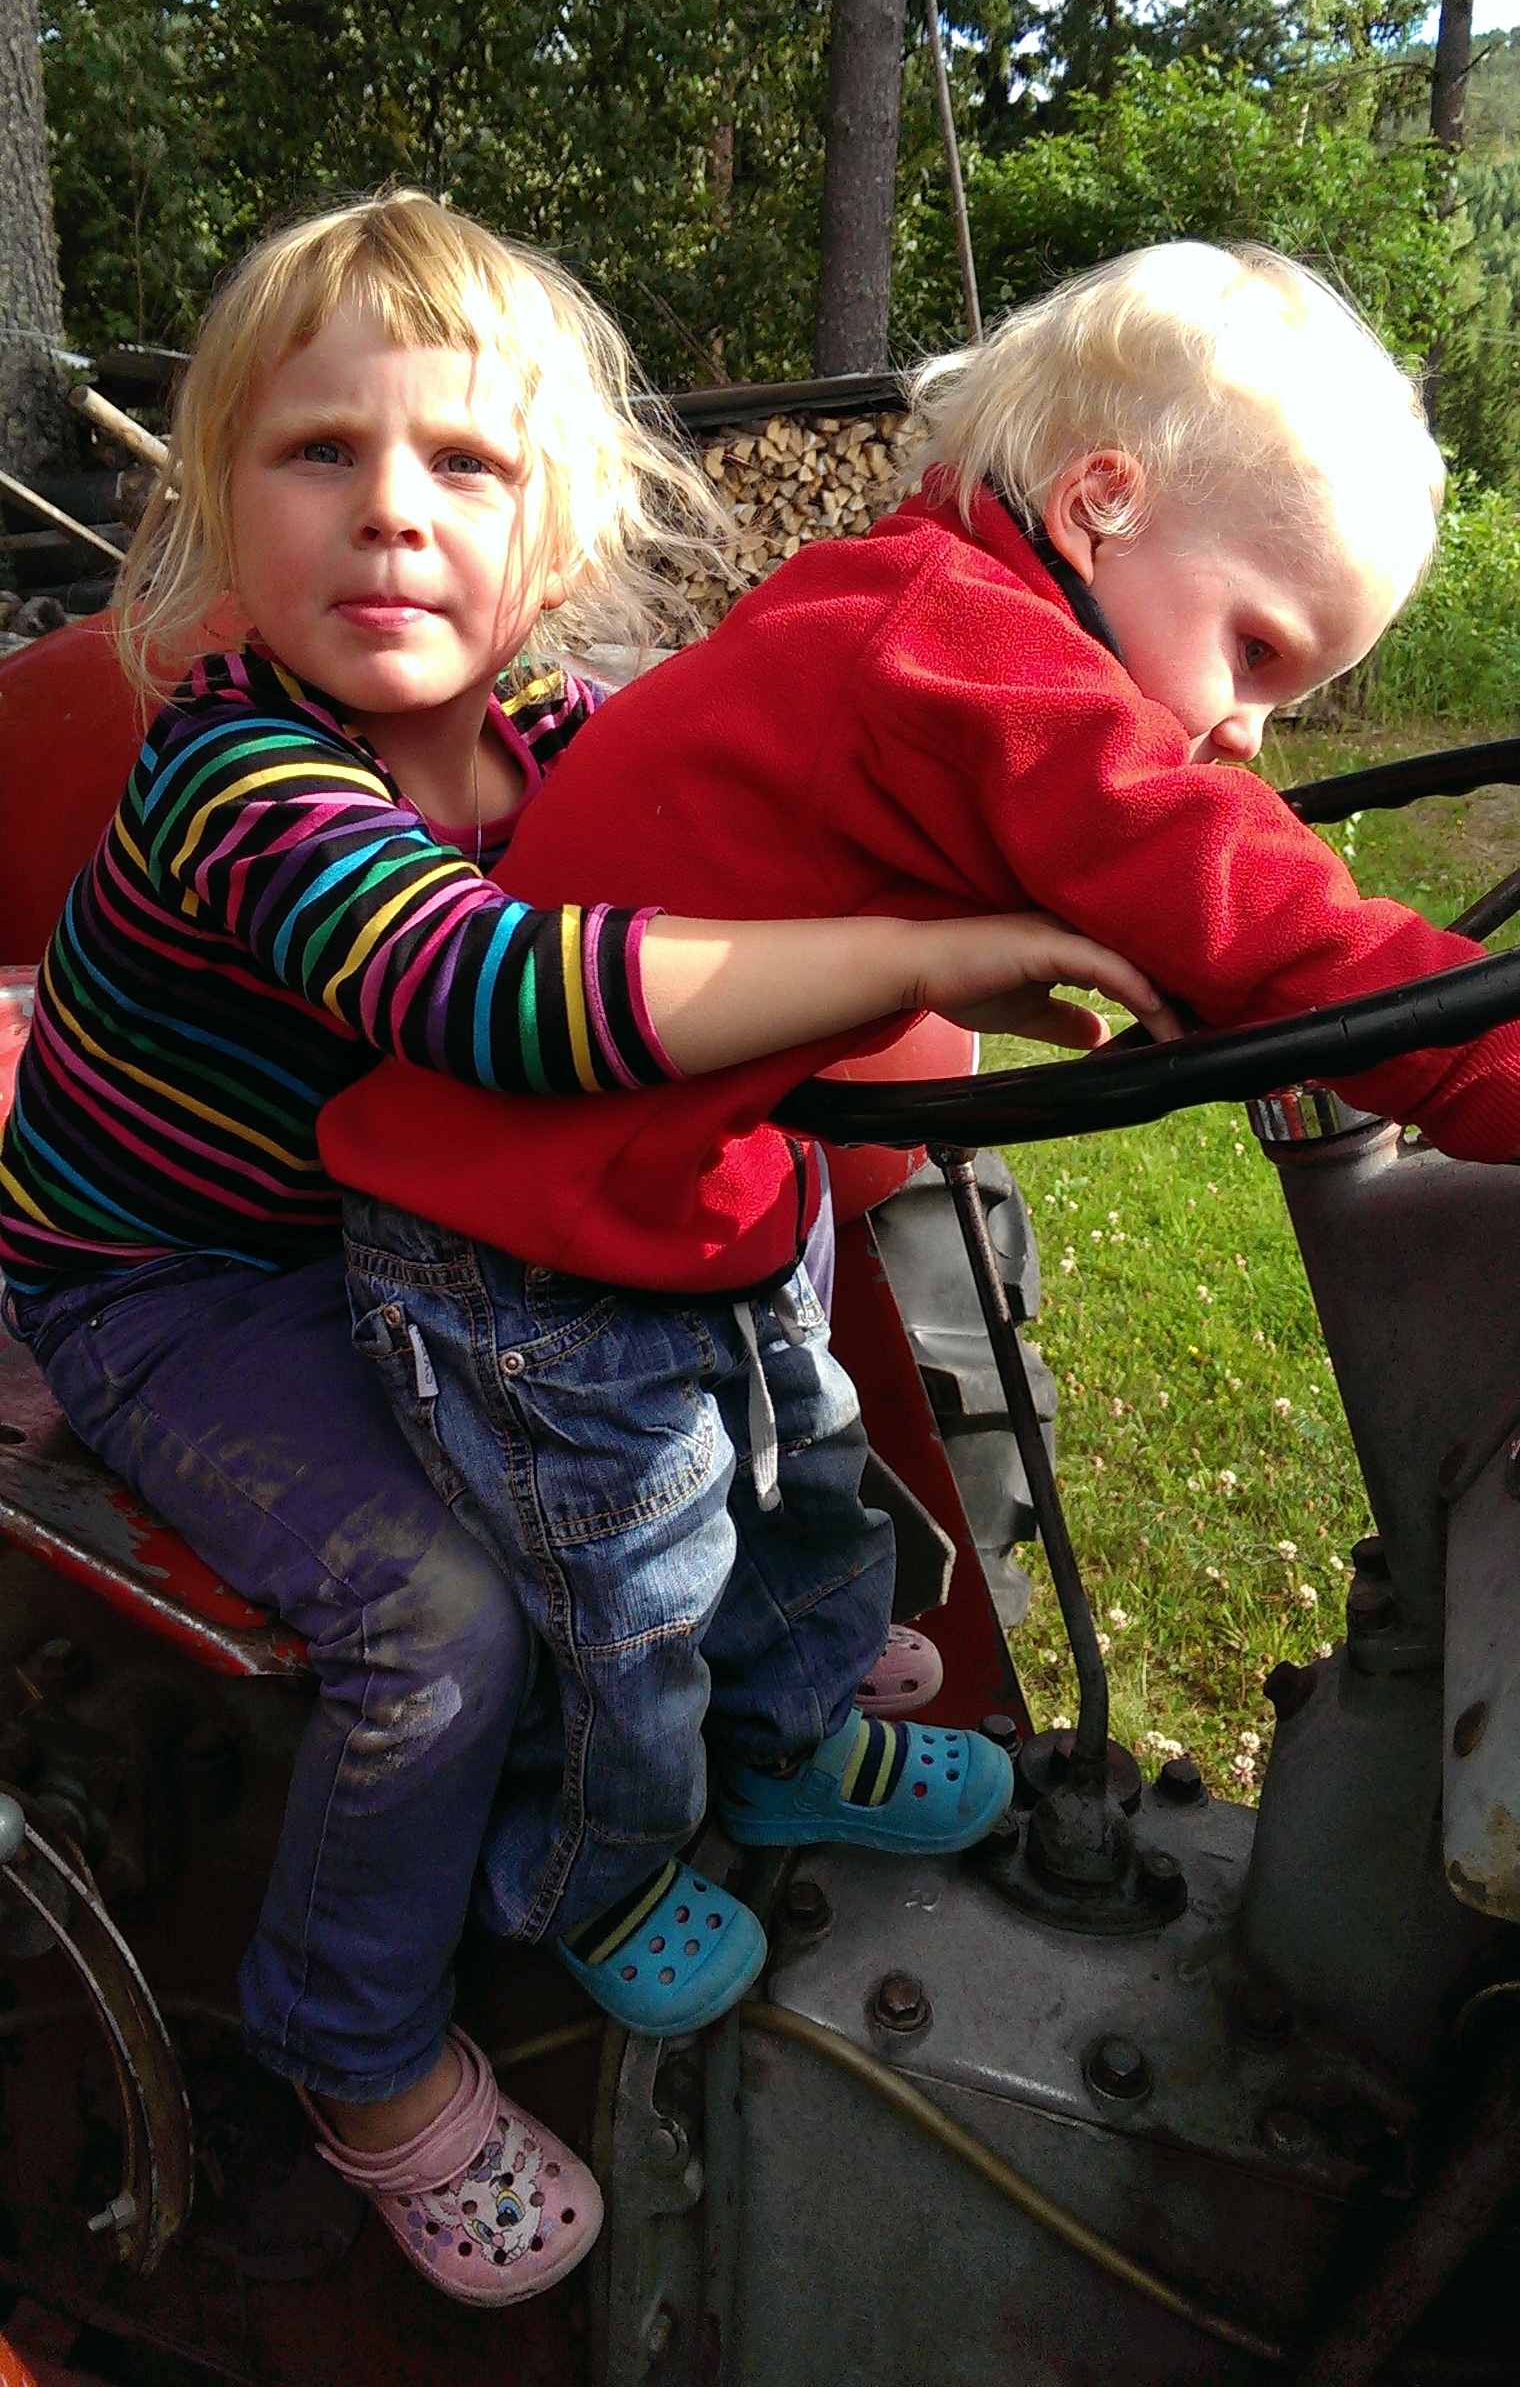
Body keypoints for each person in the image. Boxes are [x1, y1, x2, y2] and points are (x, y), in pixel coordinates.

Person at [0, 192, 1171, 2310]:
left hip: (396, 1226)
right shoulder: (243, 776)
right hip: (179, 1278)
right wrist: (916, 955)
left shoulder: (556, 735)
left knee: (754, 1309)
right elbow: (499, 996)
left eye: (465, 462)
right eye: (319, 451)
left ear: (554, 539)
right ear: (217, 509)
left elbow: (735, 861)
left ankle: (771, 1681)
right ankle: (353, 2052)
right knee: (441, 1614)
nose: (390, 510)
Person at [325, 234, 1520, 2021]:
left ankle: (792, 1744)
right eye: (1256, 649)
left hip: (694, 1187)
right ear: (1104, 503)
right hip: (527, 1244)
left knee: (817, 1497)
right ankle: (585, 1872)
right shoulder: (963, 648)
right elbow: (1238, 893)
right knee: (630, 1601)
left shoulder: (934, 607)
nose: (1248, 732)